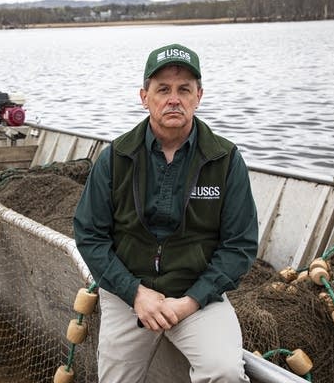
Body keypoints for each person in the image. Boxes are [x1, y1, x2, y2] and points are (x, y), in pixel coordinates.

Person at [73, 43, 258, 383]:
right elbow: (89, 234)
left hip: (197, 295)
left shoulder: (225, 159)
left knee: (225, 371)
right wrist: (135, 293)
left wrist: (191, 301)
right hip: (130, 296)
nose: (174, 99)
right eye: (163, 90)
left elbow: (240, 246)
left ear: (198, 96)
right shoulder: (116, 157)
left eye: (184, 89)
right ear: (144, 97)